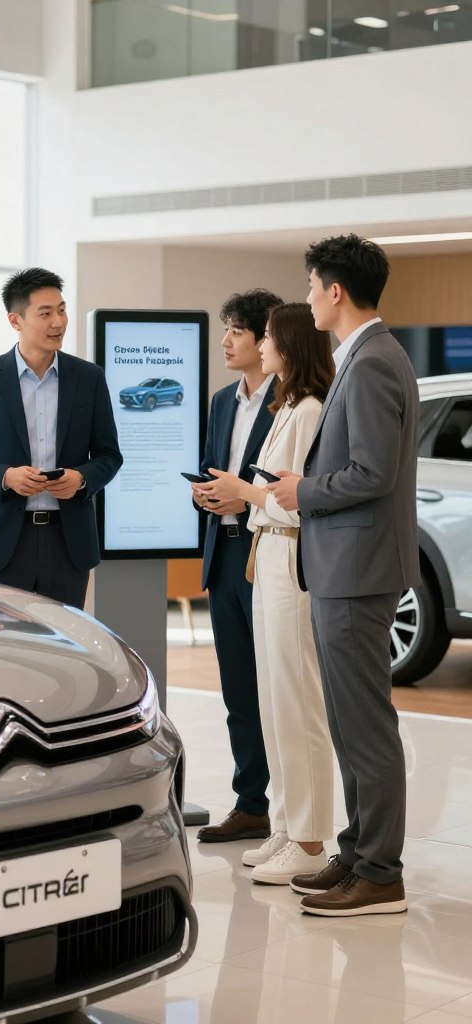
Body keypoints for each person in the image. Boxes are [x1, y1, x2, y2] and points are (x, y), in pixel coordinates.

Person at [269, 234, 418, 917]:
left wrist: (304, 490)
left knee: (365, 726)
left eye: (310, 287)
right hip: (343, 568)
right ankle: (358, 852)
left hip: (357, 570)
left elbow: (372, 473)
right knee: (352, 719)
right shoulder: (362, 357)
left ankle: (380, 872)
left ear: (335, 291)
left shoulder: (374, 361)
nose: (305, 299)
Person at [203, 302, 337, 884]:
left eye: (267, 338)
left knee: (296, 701)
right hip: (269, 555)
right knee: (273, 699)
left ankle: (309, 840)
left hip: (288, 555)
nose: (258, 347)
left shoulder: (307, 410)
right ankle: (285, 825)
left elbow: (293, 496)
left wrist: (246, 493)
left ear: (287, 345)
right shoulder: (288, 406)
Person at [0, 267, 122, 610]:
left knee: (64, 648)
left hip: (68, 541)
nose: (58, 322)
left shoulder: (89, 378)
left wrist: (82, 479)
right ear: (16, 320)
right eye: (45, 313)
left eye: (62, 310)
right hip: (4, 542)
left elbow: (109, 455)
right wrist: (5, 477)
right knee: (5, 647)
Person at [192, 288, 282, 844]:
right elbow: (210, 467)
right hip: (222, 557)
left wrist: (242, 498)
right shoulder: (224, 400)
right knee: (237, 692)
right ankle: (251, 803)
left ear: (264, 338)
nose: (224, 341)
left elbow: (281, 487)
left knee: (277, 688)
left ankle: (291, 809)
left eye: (235, 332)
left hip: (265, 557)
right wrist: (205, 495)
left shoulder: (292, 402)